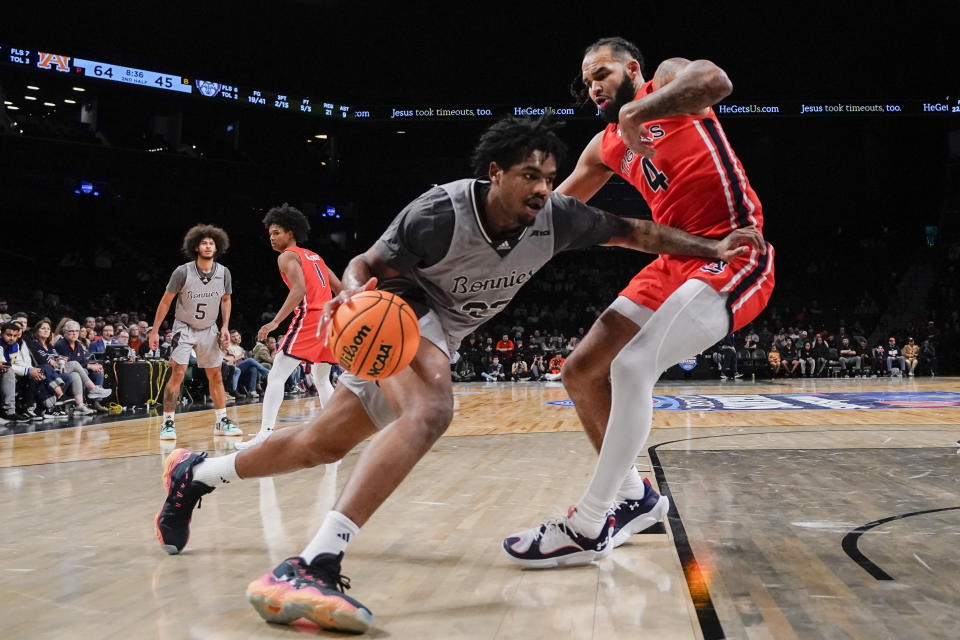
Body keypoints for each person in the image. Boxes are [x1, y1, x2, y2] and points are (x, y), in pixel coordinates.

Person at [153, 116, 762, 633]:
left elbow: (637, 232)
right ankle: (312, 564)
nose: (543, 188)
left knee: (320, 444)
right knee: (432, 410)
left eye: (550, 177)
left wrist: (713, 250)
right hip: (397, 311)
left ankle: (197, 472)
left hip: (440, 331)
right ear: (494, 171)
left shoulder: (559, 218)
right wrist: (353, 291)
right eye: (530, 174)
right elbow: (369, 261)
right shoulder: (440, 212)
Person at [503, 37, 773, 568]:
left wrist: (637, 109)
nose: (594, 87)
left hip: (733, 247)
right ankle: (634, 495)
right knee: (581, 371)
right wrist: (494, 228)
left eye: (601, 73)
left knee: (631, 366)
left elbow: (718, 81)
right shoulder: (604, 145)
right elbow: (558, 210)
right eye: (587, 83)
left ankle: (586, 524)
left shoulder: (672, 81)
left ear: (632, 68)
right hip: (675, 256)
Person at [235, 204, 342, 449]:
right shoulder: (315, 256)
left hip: (309, 319)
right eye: (270, 234)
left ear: (290, 232)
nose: (271, 238)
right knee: (321, 377)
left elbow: (299, 290)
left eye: (276, 233)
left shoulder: (287, 256)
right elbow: (341, 289)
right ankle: (337, 429)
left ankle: (265, 434)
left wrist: (274, 322)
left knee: (276, 375)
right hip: (328, 321)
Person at [147, 224, 242, 440]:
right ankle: (168, 423)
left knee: (215, 375)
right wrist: (154, 331)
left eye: (211, 243)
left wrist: (225, 326)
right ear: (196, 247)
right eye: (204, 243)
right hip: (184, 327)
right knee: (178, 371)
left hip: (210, 328)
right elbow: (165, 301)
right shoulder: (182, 272)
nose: (208, 246)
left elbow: (226, 300)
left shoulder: (224, 272)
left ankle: (221, 420)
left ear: (217, 248)